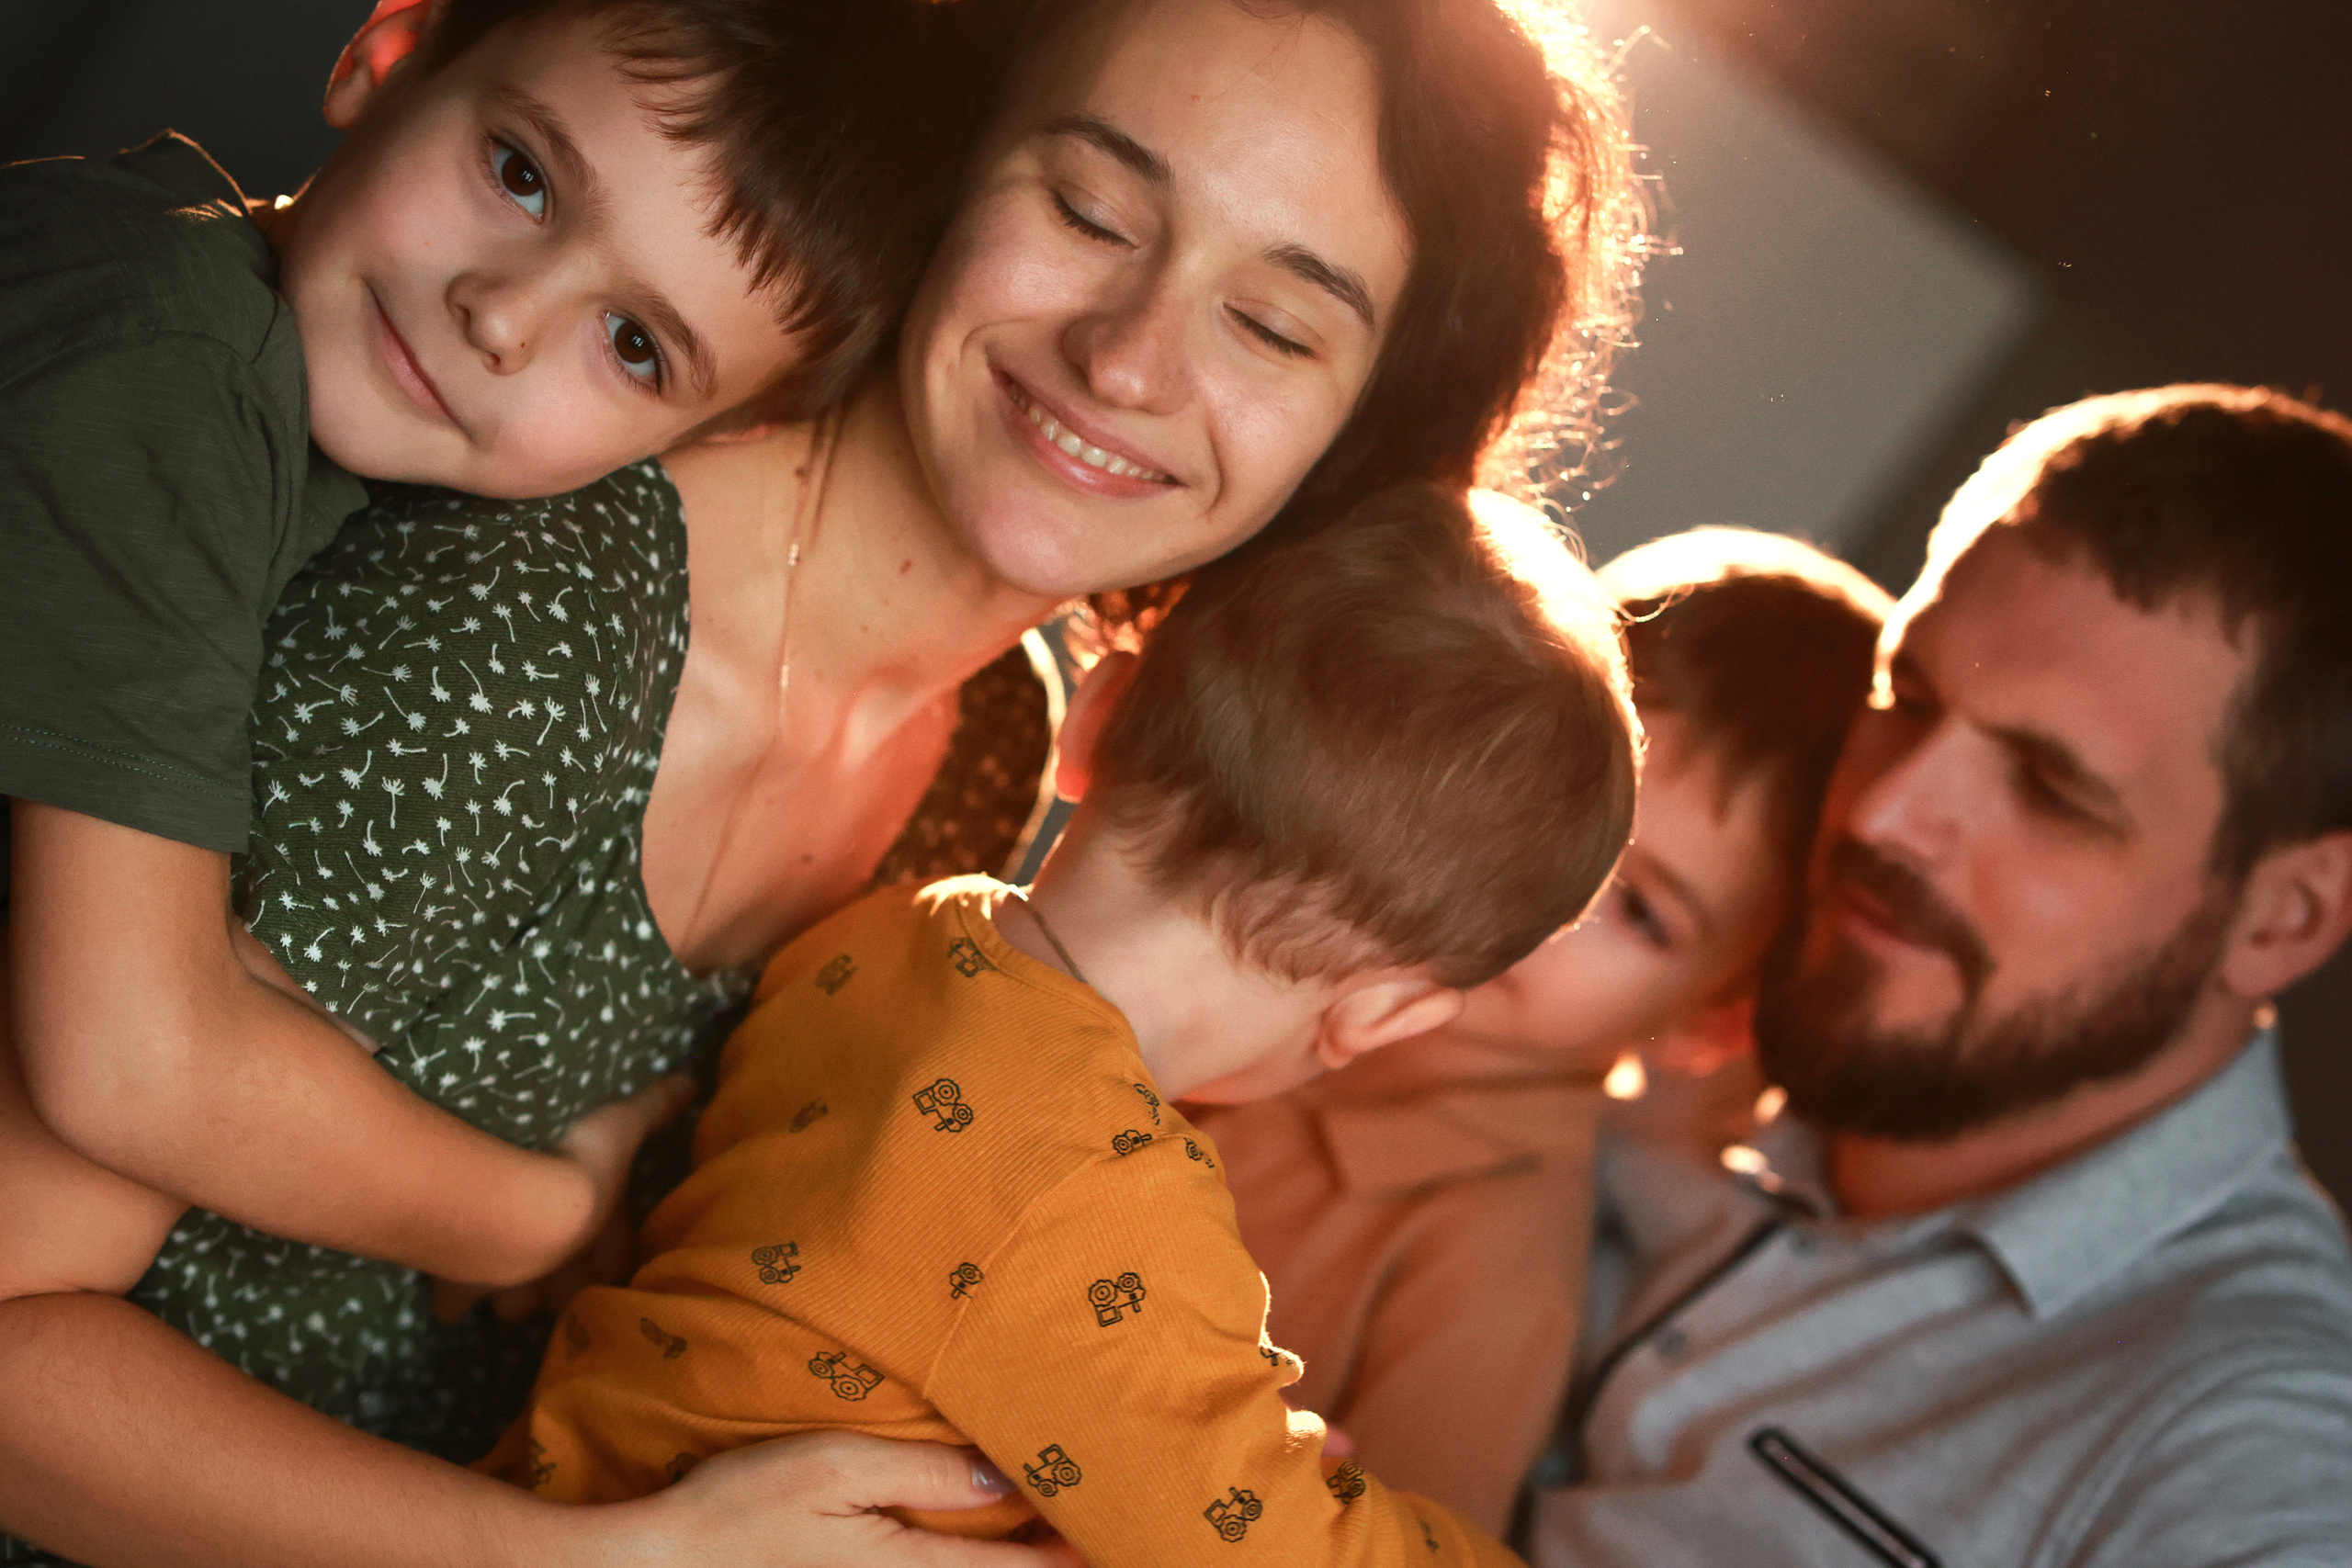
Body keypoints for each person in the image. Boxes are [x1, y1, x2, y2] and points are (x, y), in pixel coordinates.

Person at [0, 0, 1646, 1562]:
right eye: (1089, 210)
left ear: (1350, 455)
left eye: (1273, 325)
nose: (1128, 358)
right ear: (951, 163)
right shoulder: (536, 607)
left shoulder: (994, 749)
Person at [3, 0, 989, 1312]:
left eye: (634, 346)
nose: (502, 316)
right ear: (390, 51)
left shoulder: (295, 430)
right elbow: (128, 1058)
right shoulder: (167, 360)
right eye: (522, 174)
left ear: (704, 439)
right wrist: (535, 1219)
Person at [480, 484, 1638, 1564]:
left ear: (1093, 717)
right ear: (1384, 1015)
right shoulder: (1101, 1195)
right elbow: (1277, 1546)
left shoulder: (886, 934)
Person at [1527, 385, 2352, 1567]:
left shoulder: (2241, 1438)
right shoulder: (1663, 993)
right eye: (1904, 696)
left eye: (2049, 788)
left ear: (2285, 917)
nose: (1885, 811)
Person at [1193, 527, 1890, 1535]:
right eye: (1554, 790)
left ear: (1714, 1019)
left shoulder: (1491, 1279)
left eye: (1639, 909)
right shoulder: (1253, 916)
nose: (1552, 887)